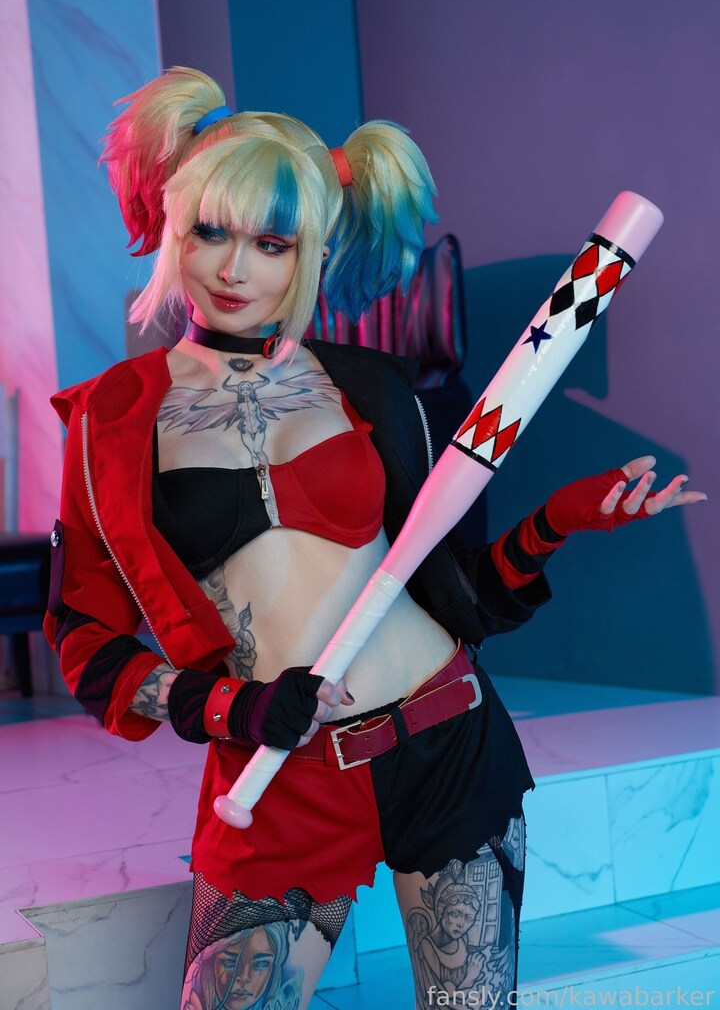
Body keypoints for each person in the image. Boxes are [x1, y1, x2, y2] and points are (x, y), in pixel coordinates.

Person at [43, 68, 706, 1010]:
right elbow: (85, 638)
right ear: (173, 225)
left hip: (449, 737)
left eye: (272, 244)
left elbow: (456, 593)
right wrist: (234, 709)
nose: (235, 270)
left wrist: (563, 518)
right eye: (211, 232)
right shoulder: (112, 418)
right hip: (281, 772)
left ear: (309, 253)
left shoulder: (375, 389)